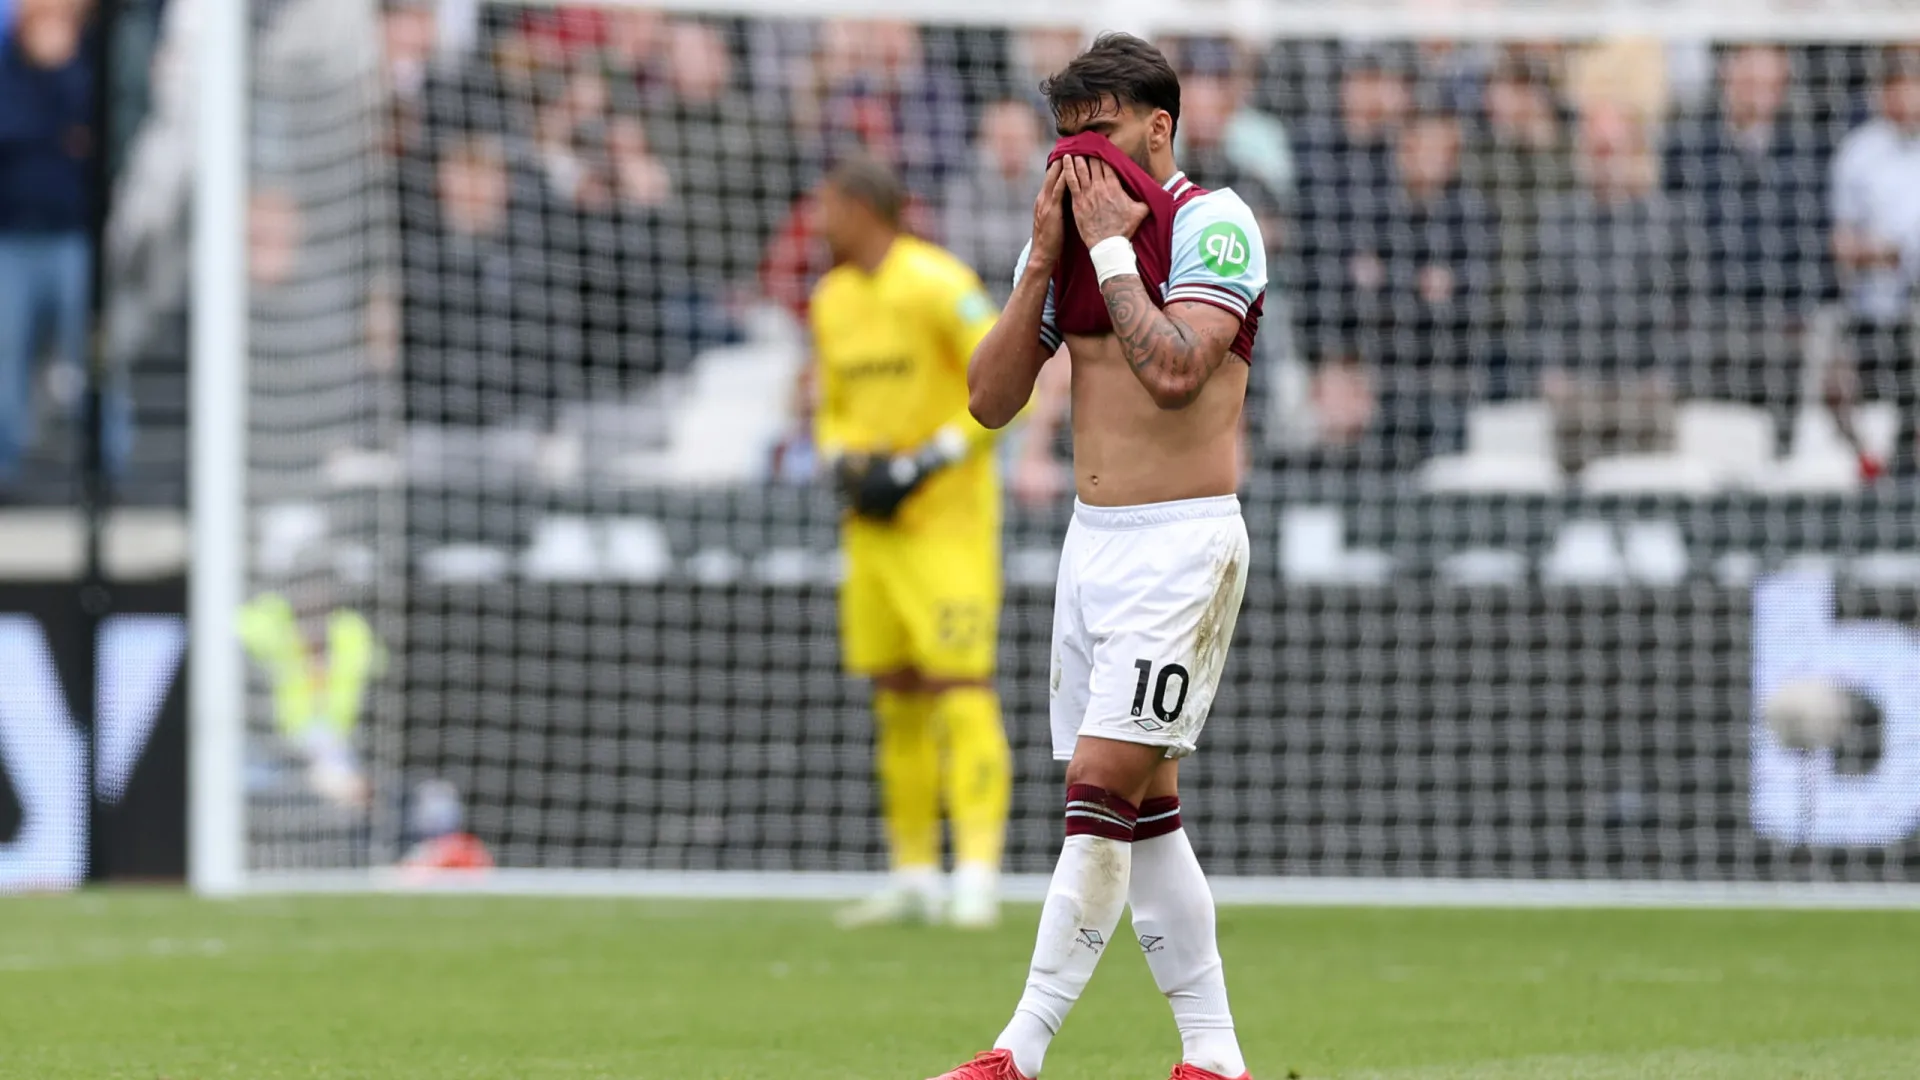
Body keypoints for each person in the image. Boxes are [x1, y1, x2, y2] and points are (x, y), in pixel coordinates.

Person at [937, 33, 1264, 1080]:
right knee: (1146, 806)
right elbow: (989, 403)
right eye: (1067, 139)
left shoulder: (1216, 224)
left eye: (1104, 133)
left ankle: (1016, 1052)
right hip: (1093, 551)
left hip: (1184, 545)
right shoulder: (1073, 240)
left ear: (1159, 126)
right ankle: (1214, 1054)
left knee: (1099, 781)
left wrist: (1116, 248)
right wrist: (1044, 254)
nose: (1081, 161)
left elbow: (1174, 371)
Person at [808, 155, 1013, 930]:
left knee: (961, 694)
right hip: (872, 530)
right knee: (895, 699)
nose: (818, 219)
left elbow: (1006, 393)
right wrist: (840, 458)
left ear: (863, 208)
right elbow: (831, 404)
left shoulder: (939, 284)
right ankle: (915, 872)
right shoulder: (830, 299)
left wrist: (926, 460)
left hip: (946, 528)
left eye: (827, 204)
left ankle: (979, 876)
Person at [1825, 45, 1920, 477]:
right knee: (1841, 384)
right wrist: (1883, 252)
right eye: (1898, 89)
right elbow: (1841, 243)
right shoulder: (1859, 153)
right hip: (1874, 314)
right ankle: (1871, 468)